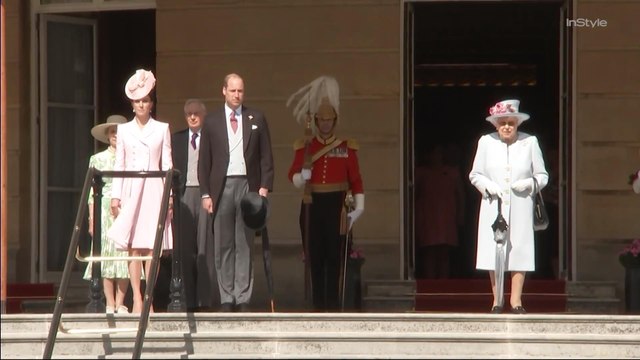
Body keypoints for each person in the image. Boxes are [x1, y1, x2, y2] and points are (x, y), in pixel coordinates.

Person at [286, 75, 365, 311]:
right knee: (315, 256)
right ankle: (318, 303)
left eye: (330, 120)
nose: (326, 124)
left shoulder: (346, 147)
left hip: (337, 204)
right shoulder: (306, 146)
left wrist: (359, 209)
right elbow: (291, 175)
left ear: (335, 121)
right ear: (317, 121)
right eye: (322, 120)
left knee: (335, 256)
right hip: (312, 203)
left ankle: (333, 302)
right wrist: (302, 177)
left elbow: (356, 179)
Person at [198, 73, 274, 312]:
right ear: (224, 91)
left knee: (245, 244)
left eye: (240, 91)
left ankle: (242, 296)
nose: (237, 95)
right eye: (232, 90)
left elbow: (266, 157)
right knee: (223, 244)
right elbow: (204, 162)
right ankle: (226, 296)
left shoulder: (256, 118)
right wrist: (205, 194)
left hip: (247, 187)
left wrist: (263, 188)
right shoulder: (211, 122)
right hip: (221, 187)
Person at [469, 99, 548, 314]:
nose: (506, 126)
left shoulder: (530, 142)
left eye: (510, 123)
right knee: (494, 250)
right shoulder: (486, 142)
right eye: (502, 122)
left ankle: (516, 300)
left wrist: (529, 184)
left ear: (517, 124)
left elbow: (542, 176)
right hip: (493, 204)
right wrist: (488, 186)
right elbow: (475, 174)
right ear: (495, 124)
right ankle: (497, 300)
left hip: (521, 204)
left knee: (519, 250)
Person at [107, 69, 174, 314]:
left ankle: (148, 297)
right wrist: (115, 195)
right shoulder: (124, 131)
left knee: (151, 247)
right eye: (138, 101)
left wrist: (169, 197)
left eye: (145, 100)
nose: (142, 105)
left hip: (155, 189)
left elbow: (167, 164)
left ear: (151, 103)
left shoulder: (162, 128)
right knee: (133, 246)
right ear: (132, 104)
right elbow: (120, 164)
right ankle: (135, 297)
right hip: (131, 188)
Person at [171, 98, 217, 312]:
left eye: (196, 113)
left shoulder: (212, 138)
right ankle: (186, 299)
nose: (192, 116)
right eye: (188, 113)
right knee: (185, 248)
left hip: (204, 194)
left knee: (205, 246)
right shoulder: (176, 139)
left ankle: (204, 300)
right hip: (183, 194)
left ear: (203, 115)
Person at [83, 114, 130, 314]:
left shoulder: (131, 158)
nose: (115, 136)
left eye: (119, 132)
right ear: (107, 135)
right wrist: (92, 219)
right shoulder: (97, 159)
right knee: (106, 256)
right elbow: (91, 195)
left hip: (126, 208)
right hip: (103, 209)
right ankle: (109, 303)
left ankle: (121, 303)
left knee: (124, 256)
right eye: (112, 132)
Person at [414, 143, 465, 279]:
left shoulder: (452, 172)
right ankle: (430, 282)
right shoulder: (420, 173)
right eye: (434, 153)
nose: (436, 157)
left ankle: (444, 283)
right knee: (429, 250)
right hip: (427, 215)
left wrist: (461, 213)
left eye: (439, 153)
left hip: (447, 216)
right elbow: (413, 194)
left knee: (444, 251)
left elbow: (460, 194)